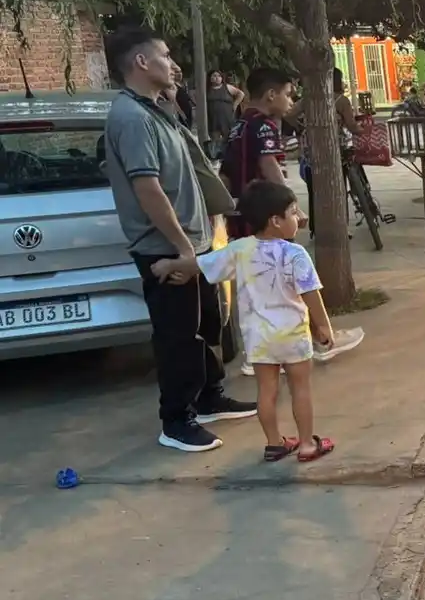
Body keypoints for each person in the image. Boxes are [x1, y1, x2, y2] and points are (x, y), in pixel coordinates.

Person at [101, 27, 256, 453]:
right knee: (177, 335)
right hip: (167, 247)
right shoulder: (130, 118)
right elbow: (147, 188)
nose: (174, 64)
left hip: (194, 240)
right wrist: (183, 248)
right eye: (165, 56)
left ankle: (209, 397)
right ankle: (177, 419)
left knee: (208, 323)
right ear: (141, 63)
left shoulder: (153, 109)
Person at [155, 180, 339, 463]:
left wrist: (171, 265)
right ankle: (306, 445)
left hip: (257, 336)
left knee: (266, 390)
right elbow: (311, 294)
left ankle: (275, 444)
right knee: (300, 388)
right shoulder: (295, 254)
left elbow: (203, 264)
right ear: (275, 221)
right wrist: (323, 326)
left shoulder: (240, 250)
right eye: (292, 212)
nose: (298, 217)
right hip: (292, 334)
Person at [221, 67, 295, 237]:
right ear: (271, 95)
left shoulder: (238, 126)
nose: (291, 101)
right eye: (287, 94)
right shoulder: (264, 125)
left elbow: (225, 174)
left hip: (240, 216)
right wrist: (292, 205)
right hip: (264, 217)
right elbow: (269, 165)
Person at [296, 67, 359, 235]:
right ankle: (340, 227)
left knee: (314, 190)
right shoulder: (340, 100)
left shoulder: (307, 100)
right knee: (338, 188)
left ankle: (316, 228)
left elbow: (289, 114)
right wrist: (361, 131)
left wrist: (303, 126)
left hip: (312, 152)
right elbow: (352, 126)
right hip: (336, 151)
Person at [205, 70, 243, 158]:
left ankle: (230, 156)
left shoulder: (227, 87)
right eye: (214, 76)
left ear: (222, 78)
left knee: (229, 138)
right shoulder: (206, 89)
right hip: (213, 118)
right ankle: (215, 157)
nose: (216, 78)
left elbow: (241, 94)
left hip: (227, 117)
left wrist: (235, 105)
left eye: (219, 76)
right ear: (210, 78)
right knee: (214, 139)